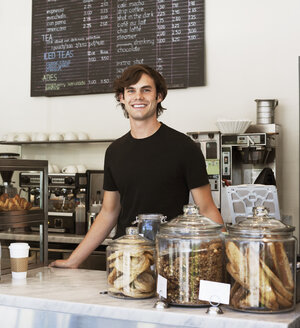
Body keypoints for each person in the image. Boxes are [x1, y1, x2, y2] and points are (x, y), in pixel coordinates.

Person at [50, 64, 224, 269]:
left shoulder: (184, 147)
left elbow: (206, 209)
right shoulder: (115, 152)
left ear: (159, 96)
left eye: (146, 90)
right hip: (125, 258)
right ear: (121, 98)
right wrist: (73, 260)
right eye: (131, 90)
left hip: (170, 259)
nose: (138, 97)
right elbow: (108, 212)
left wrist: (227, 259)